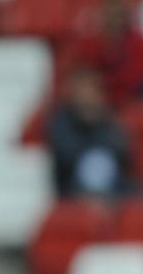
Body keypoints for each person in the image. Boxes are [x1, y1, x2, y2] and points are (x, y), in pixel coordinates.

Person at [46, 68, 133, 199]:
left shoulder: (108, 117)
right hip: (72, 187)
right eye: (81, 89)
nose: (85, 95)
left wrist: (96, 123)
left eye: (89, 89)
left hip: (113, 186)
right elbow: (68, 155)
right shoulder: (60, 120)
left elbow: (121, 149)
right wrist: (86, 125)